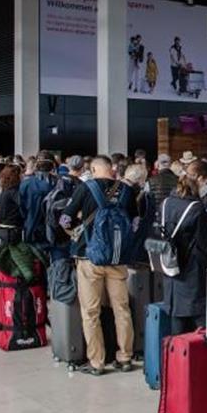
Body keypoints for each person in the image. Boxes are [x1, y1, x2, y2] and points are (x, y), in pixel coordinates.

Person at [59, 155, 140, 376]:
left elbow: (64, 220)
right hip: (117, 258)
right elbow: (134, 223)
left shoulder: (86, 188)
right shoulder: (126, 191)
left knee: (91, 312)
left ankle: (97, 361)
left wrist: (76, 232)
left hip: (89, 257)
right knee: (121, 309)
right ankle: (125, 357)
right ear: (111, 170)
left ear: (94, 169)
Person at [160, 159, 207, 334]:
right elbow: (203, 245)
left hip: (171, 270)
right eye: (206, 182)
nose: (206, 185)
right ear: (199, 178)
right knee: (202, 329)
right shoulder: (196, 208)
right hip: (193, 274)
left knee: (177, 328)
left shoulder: (166, 202)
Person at [19, 159, 55, 247]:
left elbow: (21, 204)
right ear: (52, 169)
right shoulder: (56, 184)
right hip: (50, 222)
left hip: (30, 220)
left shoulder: (25, 183)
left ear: (36, 169)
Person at [0, 164, 25, 253]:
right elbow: (23, 207)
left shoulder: (6, 191)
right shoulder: (14, 192)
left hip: (3, 229)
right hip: (12, 230)